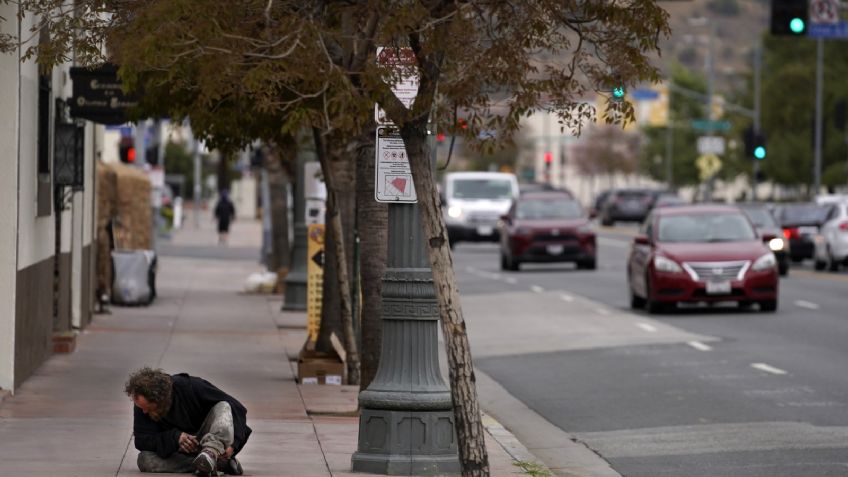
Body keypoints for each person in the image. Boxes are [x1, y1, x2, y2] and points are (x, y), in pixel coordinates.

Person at [125, 367, 251, 476]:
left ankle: (211, 452)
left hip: (209, 438)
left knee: (224, 406)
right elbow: (142, 440)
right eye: (141, 407)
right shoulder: (142, 406)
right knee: (145, 460)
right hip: (180, 452)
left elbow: (237, 409)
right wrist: (175, 438)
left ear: (160, 400)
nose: (144, 412)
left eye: (148, 407)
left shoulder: (191, 386)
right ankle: (216, 464)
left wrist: (234, 446)